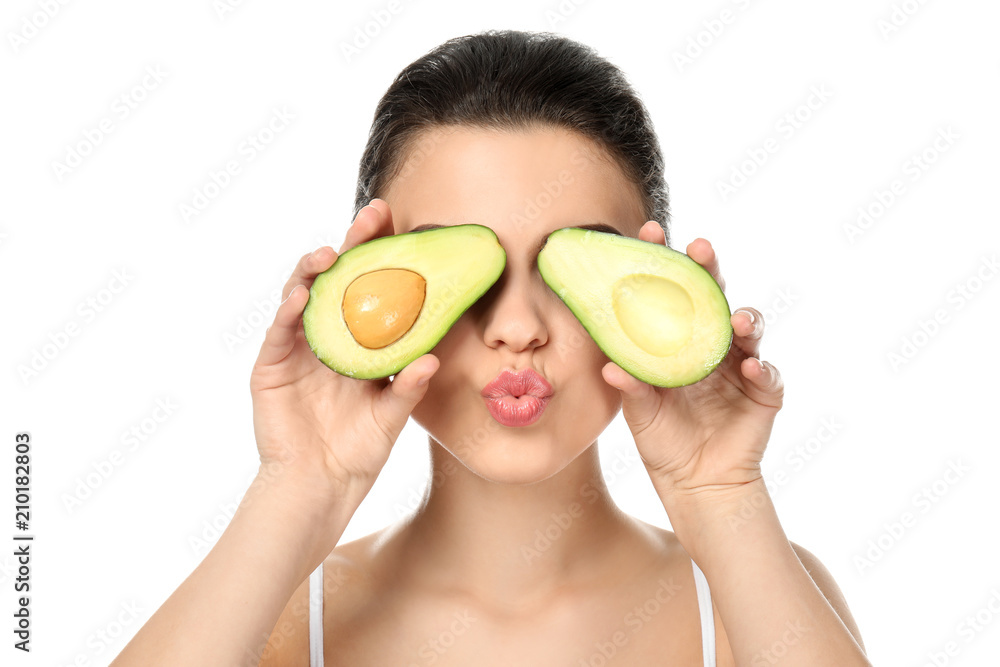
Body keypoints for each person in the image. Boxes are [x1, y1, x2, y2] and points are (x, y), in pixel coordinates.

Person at [111, 29, 870, 666]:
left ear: (655, 277)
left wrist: (723, 497)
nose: (516, 326)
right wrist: (299, 482)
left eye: (570, 260)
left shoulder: (758, 596)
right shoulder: (274, 617)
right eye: (460, 262)